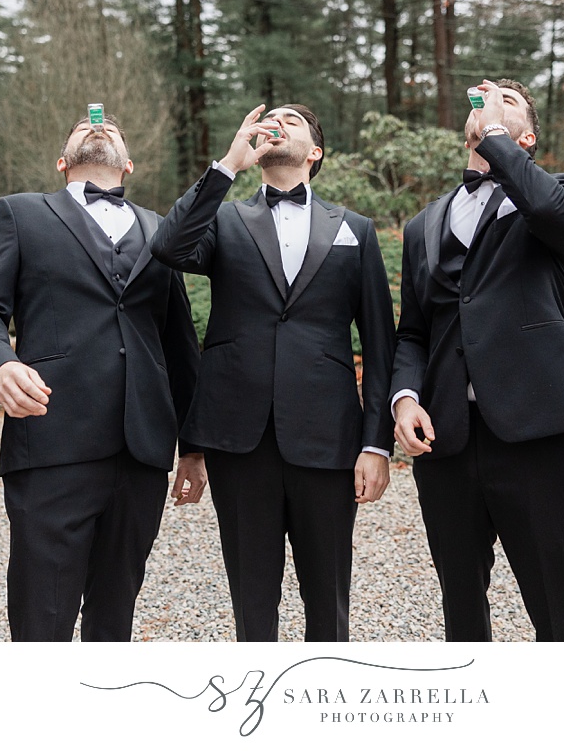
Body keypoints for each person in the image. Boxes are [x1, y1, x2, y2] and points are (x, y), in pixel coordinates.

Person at [150, 103, 395, 641]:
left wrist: (376, 444)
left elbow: (381, 345)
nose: (277, 121)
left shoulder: (356, 229)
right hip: (239, 438)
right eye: (271, 115)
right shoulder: (223, 218)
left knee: (329, 598)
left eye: (294, 118)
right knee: (251, 600)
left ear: (315, 151)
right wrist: (227, 166)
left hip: (328, 438)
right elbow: (169, 246)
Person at [0, 113, 202, 642]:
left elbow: (179, 344)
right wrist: (0, 363)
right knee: (42, 613)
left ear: (130, 164)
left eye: (114, 128)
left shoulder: (161, 228)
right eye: (84, 126)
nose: (99, 128)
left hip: (141, 450)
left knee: (115, 613)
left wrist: (194, 446)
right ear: (62, 161)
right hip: (51, 439)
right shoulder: (21, 214)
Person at [392, 80, 564, 641]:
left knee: (553, 599)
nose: (489, 104)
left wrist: (494, 138)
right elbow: (413, 329)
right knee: (459, 599)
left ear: (527, 137)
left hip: (536, 431)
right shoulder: (423, 225)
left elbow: (556, 215)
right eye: (484, 102)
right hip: (448, 439)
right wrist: (405, 397)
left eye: (507, 103)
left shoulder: (562, 193)